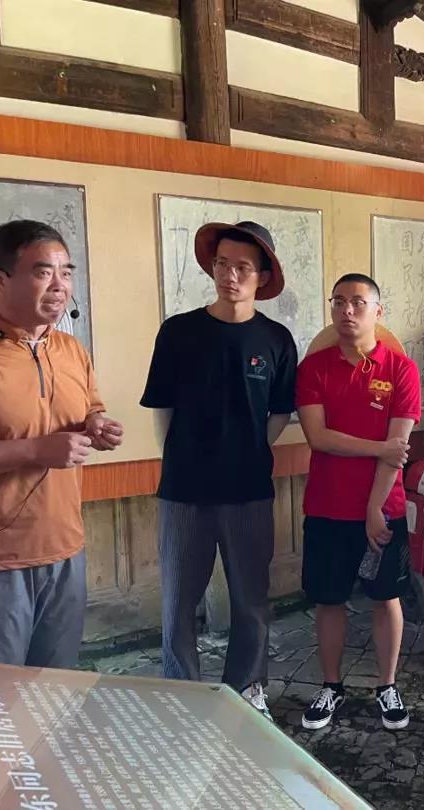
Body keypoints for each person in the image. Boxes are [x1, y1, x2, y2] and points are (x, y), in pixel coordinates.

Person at [0, 220, 123, 668]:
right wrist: (37, 450)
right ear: (1, 278)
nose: (60, 285)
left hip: (66, 550)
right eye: (44, 272)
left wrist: (97, 424)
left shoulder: (71, 350)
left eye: (66, 272)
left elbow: (89, 407)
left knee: (54, 692)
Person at [140, 221, 296, 719]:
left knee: (251, 598)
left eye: (242, 267)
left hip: (248, 488)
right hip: (184, 490)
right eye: (222, 264)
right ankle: (181, 691)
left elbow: (279, 412)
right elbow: (162, 408)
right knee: (178, 602)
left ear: (262, 277)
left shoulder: (275, 339)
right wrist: (181, 457)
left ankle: (247, 690)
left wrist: (247, 449)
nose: (230, 275)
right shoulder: (179, 331)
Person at [296, 273, 420, 732]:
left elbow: (398, 448)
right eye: (338, 302)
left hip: (384, 508)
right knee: (328, 600)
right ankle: (331, 685)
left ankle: (387, 685)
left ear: (377, 311)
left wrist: (373, 507)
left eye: (358, 302)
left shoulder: (401, 369)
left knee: (386, 598)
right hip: (327, 505)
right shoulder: (314, 368)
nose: (346, 311)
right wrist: (377, 448)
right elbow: (318, 436)